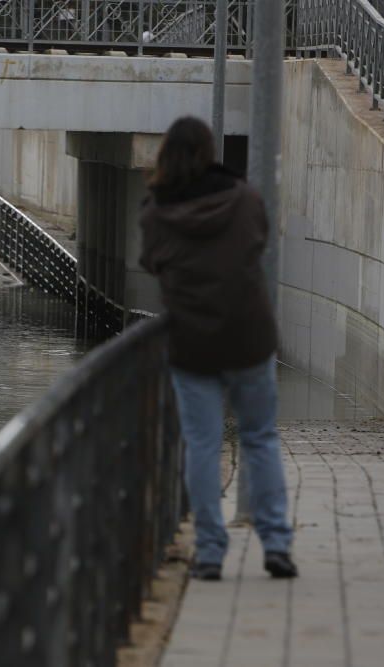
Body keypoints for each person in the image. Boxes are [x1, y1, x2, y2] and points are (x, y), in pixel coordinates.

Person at [139, 116, 297, 581]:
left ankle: (209, 552)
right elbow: (258, 244)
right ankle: (276, 545)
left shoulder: (155, 212)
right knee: (260, 438)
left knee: (203, 446)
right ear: (210, 153)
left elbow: (151, 262)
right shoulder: (245, 199)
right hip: (249, 337)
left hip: (192, 343)